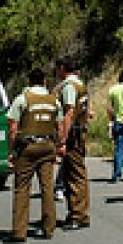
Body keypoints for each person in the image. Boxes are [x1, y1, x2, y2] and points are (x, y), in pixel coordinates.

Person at [6, 67, 62, 242]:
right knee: (47, 187)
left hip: (28, 148)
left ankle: (19, 231)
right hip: (48, 146)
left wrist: (11, 151)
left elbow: (12, 126)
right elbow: (59, 126)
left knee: (22, 187)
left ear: (29, 82)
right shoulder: (54, 101)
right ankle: (49, 227)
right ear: (44, 82)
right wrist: (59, 145)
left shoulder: (22, 99)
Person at [54, 57, 91, 230]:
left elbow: (69, 113)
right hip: (80, 133)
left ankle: (78, 215)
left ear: (62, 68)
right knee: (76, 174)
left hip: (73, 136)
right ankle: (77, 212)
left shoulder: (69, 87)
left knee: (75, 175)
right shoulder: (80, 85)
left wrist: (62, 139)